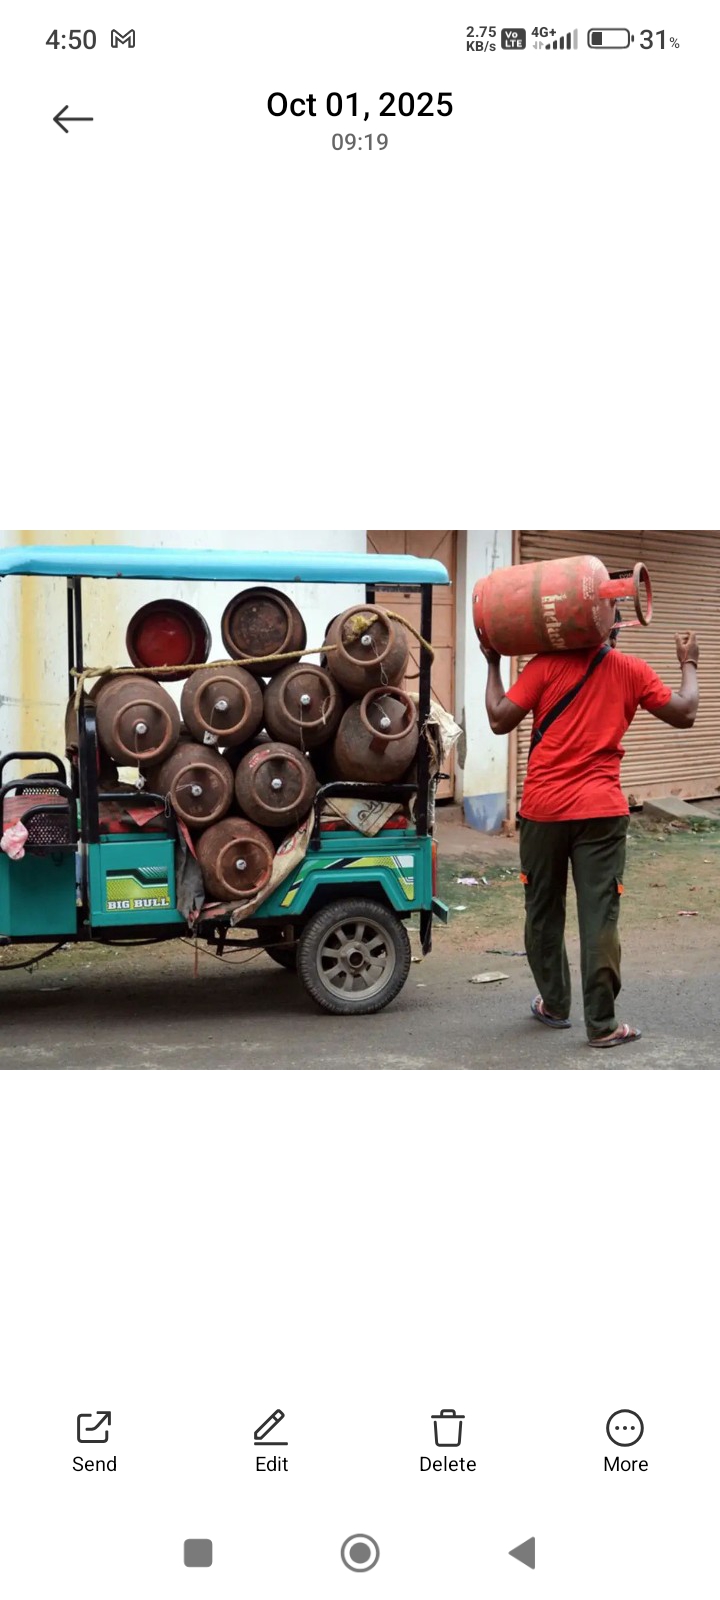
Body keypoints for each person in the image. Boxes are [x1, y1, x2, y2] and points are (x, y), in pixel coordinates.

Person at [479, 624, 699, 1048]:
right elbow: (686, 711)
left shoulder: (544, 667)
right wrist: (688, 661)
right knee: (600, 916)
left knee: (543, 909)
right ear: (610, 628)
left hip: (543, 810)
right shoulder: (631, 670)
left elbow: (497, 718)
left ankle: (555, 1004)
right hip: (602, 812)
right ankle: (602, 1025)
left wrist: (492, 663)